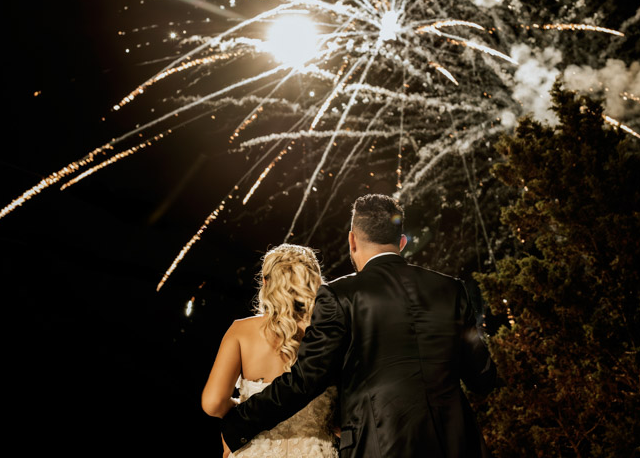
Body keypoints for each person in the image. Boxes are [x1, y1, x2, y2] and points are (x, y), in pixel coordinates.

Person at [220, 194, 497, 457]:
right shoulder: (451, 289)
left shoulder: (339, 295)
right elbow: (482, 378)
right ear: (402, 242)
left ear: (352, 240)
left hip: (379, 445)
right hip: (457, 444)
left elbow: (305, 380)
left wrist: (238, 424)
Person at [202, 243, 339, 457]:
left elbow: (213, 403)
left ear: (266, 283)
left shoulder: (241, 331)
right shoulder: (330, 332)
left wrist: (241, 409)